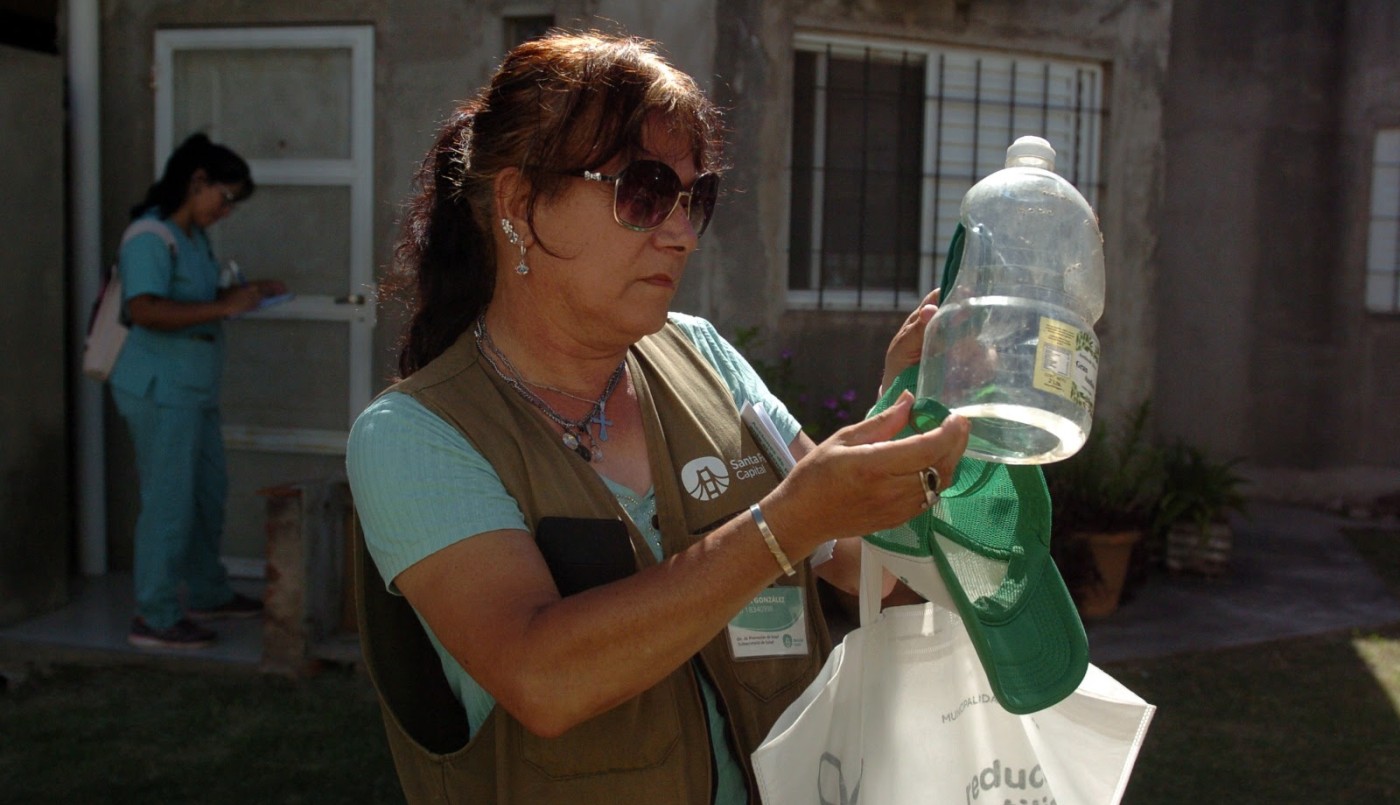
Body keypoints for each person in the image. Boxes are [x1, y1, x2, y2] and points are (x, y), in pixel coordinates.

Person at [346, 31, 969, 803]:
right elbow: (543, 678)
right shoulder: (410, 435)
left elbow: (853, 559)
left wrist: (907, 425)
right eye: (642, 192)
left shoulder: (705, 352)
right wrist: (784, 524)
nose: (678, 232)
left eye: (691, 198)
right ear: (517, 205)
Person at [111, 133, 287, 650]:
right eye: (225, 197)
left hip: (193, 390)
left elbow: (195, 297)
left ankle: (208, 591)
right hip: (160, 391)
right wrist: (223, 308)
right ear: (197, 182)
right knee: (167, 503)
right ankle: (155, 615)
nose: (226, 211)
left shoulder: (192, 238)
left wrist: (245, 295)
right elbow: (144, 309)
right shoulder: (149, 236)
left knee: (207, 494)